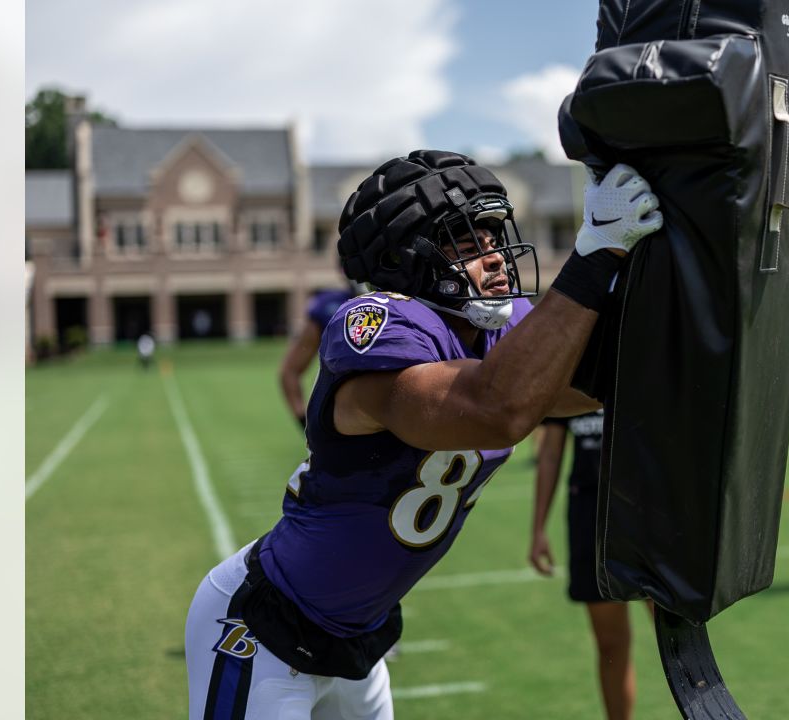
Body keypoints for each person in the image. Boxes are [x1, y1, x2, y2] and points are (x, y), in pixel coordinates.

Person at [185, 150, 663, 719]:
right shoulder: (380, 325)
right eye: (468, 244)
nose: (496, 258)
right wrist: (592, 255)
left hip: (359, 638)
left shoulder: (500, 332)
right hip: (267, 629)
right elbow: (498, 408)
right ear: (404, 259)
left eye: (494, 237)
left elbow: (581, 385)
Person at [530, 410, 647, 720]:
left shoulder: (649, 364)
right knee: (610, 644)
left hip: (647, 516)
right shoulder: (571, 369)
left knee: (677, 638)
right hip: (589, 516)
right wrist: (538, 529)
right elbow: (551, 454)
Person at [278, 280, 368, 430]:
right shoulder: (332, 306)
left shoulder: (409, 304)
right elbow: (290, 371)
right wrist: (305, 422)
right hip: (348, 421)